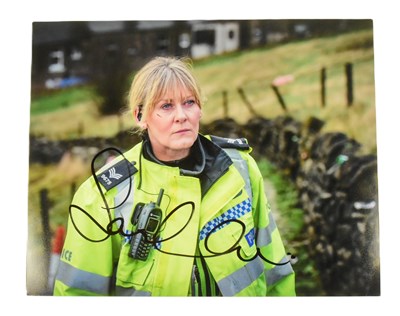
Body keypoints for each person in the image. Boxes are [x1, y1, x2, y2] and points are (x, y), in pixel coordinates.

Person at [53, 56, 296, 296]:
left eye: (189, 102)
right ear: (140, 116)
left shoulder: (240, 167)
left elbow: (275, 268)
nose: (182, 115)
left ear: (200, 109)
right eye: (166, 106)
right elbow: (78, 296)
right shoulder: (102, 195)